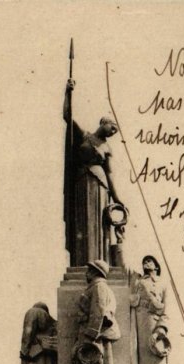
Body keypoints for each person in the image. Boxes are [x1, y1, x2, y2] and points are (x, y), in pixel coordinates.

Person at [64, 79, 124, 266]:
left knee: (99, 226)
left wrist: (117, 198)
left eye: (115, 131)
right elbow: (67, 115)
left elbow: (110, 174)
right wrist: (68, 92)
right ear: (103, 122)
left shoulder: (107, 148)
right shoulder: (85, 136)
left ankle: (100, 265)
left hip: (101, 186)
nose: (113, 131)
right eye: (112, 127)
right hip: (82, 182)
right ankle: (83, 264)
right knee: (83, 222)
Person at [74, 259, 120, 364]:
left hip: (96, 335)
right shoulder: (95, 287)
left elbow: (98, 311)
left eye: (89, 270)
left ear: (95, 272)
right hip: (93, 333)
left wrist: (91, 335)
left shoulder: (99, 287)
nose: (86, 273)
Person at [131, 255, 170, 364]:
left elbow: (167, 310)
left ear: (156, 266)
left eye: (149, 261)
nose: (146, 263)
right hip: (139, 326)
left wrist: (159, 330)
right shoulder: (138, 281)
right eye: (144, 261)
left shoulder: (163, 284)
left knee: (156, 358)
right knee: (140, 361)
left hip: (155, 326)